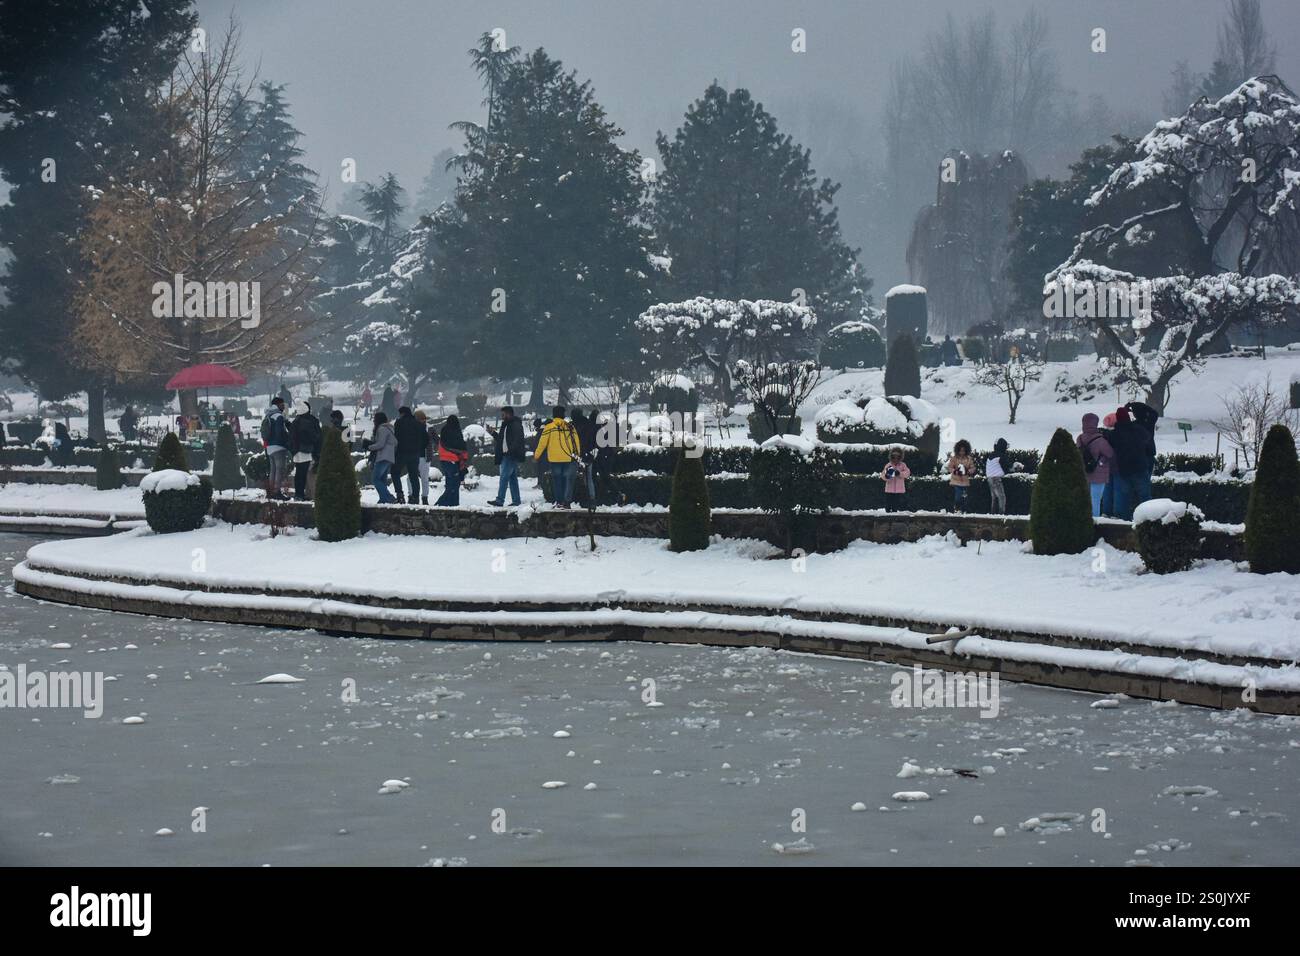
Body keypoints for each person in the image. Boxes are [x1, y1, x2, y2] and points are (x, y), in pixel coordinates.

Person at [1108, 406, 1156, 520]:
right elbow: (1148, 442)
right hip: (1140, 467)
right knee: (1145, 496)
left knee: (1123, 498)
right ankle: (1149, 519)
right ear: (1129, 418)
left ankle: (1123, 522)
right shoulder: (1139, 430)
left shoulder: (1114, 434)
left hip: (1124, 470)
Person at [533, 405, 581, 508]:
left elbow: (542, 443)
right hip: (568, 457)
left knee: (557, 481)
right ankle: (566, 502)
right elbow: (576, 442)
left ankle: (559, 502)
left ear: (554, 414)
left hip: (554, 459)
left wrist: (537, 455)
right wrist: (577, 455)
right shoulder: (570, 426)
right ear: (563, 415)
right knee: (566, 480)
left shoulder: (549, 427)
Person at [1076, 413, 1115, 518]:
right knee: (1096, 500)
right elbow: (1110, 453)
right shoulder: (1100, 440)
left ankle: (1084, 519)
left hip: (1084, 472)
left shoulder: (1079, 438)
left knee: (1086, 499)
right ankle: (1094, 521)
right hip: (1099, 473)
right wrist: (1102, 459)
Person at [487, 405, 526, 507]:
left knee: (504, 477)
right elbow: (502, 439)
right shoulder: (507, 425)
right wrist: (493, 433)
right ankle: (516, 501)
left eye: (503, 414)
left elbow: (518, 439)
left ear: (508, 414)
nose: (502, 416)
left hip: (510, 455)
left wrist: (510, 451)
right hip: (508, 455)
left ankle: (500, 500)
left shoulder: (514, 424)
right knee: (512, 479)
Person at [393, 405, 427, 504]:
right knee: (414, 476)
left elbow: (395, 437)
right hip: (415, 454)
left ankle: (400, 495)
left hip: (401, 452)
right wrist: (419, 448)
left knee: (395, 472)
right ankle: (415, 498)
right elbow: (425, 439)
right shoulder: (418, 424)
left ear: (402, 413)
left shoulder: (399, 423)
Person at [289, 400, 322, 501]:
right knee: (304, 474)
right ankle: (302, 494)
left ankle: (298, 493)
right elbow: (316, 436)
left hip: (296, 451)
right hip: (306, 450)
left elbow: (291, 436)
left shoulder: (295, 421)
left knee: (298, 473)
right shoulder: (310, 421)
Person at [435, 415, 469, 506]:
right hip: (453, 461)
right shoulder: (455, 431)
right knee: (454, 485)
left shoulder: (444, 430)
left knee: (449, 484)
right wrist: (464, 456)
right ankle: (444, 504)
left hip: (444, 461)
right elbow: (460, 445)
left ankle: (448, 504)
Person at [262, 397, 291, 499]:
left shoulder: (268, 415)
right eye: (282, 404)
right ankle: (277, 492)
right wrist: (287, 442)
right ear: (278, 405)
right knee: (279, 470)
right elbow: (280, 433)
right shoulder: (278, 416)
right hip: (278, 446)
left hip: (269, 447)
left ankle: (271, 492)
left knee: (273, 470)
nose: (283, 406)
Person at [368, 412, 398, 503]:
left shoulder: (382, 429)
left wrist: (369, 446)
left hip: (383, 457)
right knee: (382, 480)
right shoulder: (390, 429)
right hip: (389, 457)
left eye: (374, 419)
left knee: (376, 479)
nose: (373, 420)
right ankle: (383, 499)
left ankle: (389, 498)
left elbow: (380, 444)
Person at [573, 408, 600, 506]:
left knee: (578, 477)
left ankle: (580, 497)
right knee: (589, 478)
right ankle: (592, 499)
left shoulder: (573, 426)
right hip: (589, 454)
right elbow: (594, 440)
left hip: (577, 455)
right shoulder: (589, 425)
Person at [945, 439, 975, 513]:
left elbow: (973, 468)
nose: (962, 452)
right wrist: (955, 471)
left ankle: (963, 510)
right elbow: (949, 467)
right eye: (960, 450)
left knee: (965, 497)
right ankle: (957, 508)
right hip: (956, 481)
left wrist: (968, 471)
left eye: (963, 451)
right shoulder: (954, 458)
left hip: (965, 482)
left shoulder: (969, 459)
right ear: (957, 450)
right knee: (958, 496)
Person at [986, 437, 1010, 515]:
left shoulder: (991, 455)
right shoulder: (1001, 456)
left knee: (994, 498)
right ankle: (1001, 514)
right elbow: (1006, 469)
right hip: (996, 479)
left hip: (989, 478)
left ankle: (993, 513)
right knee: (1001, 497)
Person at [414, 410, 433, 504]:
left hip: (425, 456)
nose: (423, 421)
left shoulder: (430, 428)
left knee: (424, 478)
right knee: (411, 477)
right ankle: (413, 496)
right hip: (414, 456)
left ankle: (424, 497)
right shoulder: (412, 428)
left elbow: (436, 440)